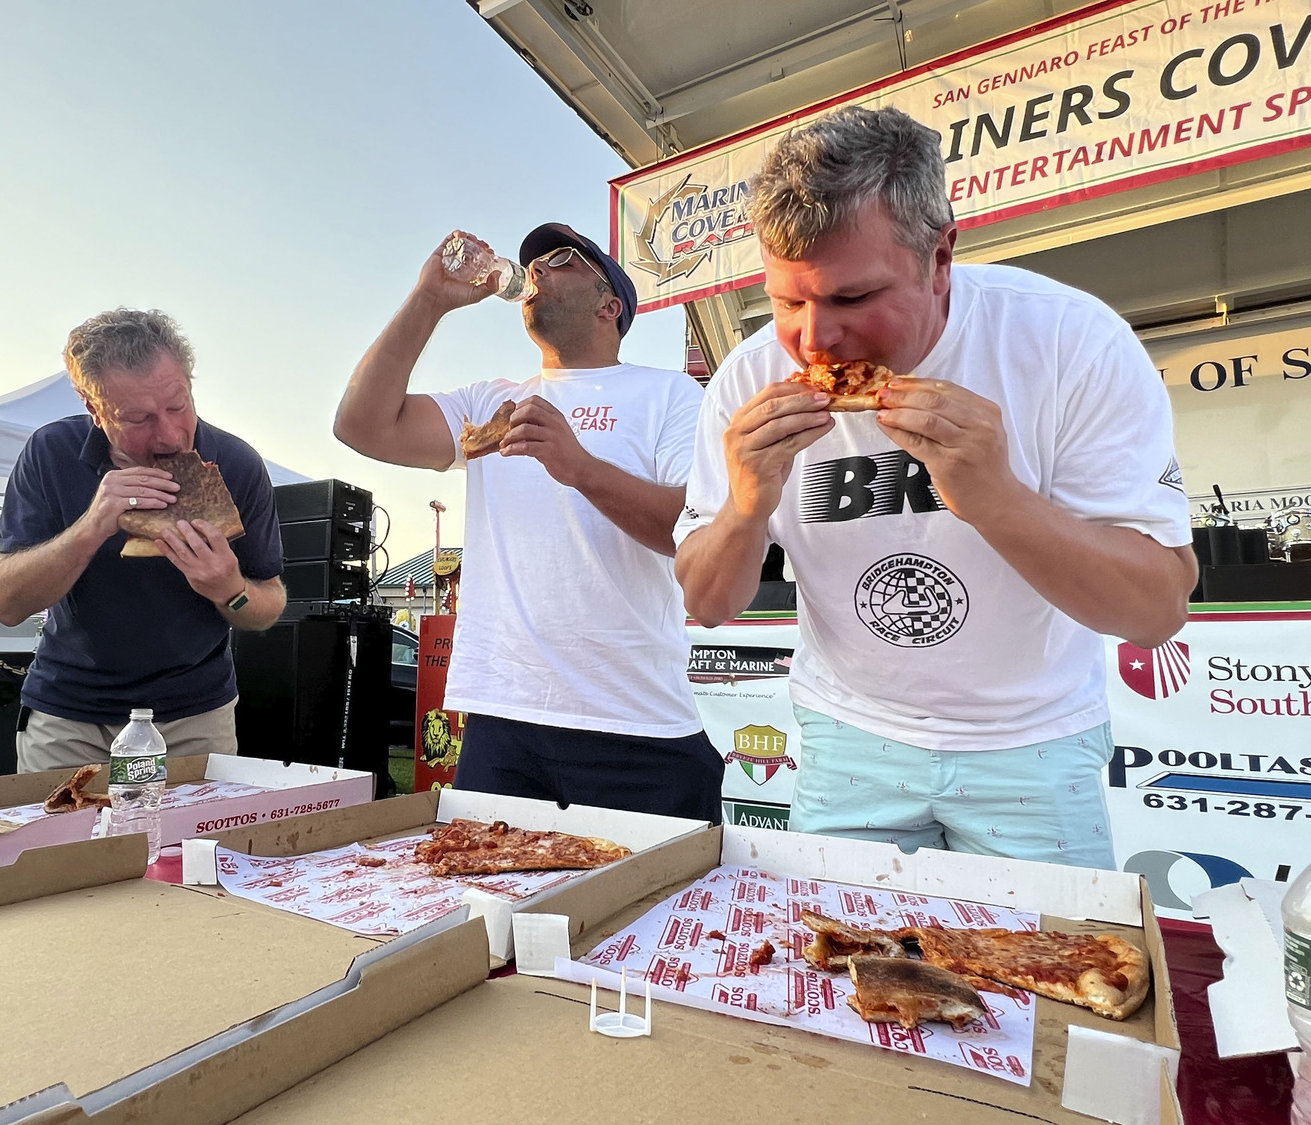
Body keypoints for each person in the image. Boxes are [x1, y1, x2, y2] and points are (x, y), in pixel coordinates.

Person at [674, 106, 1196, 866]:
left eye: (852, 298)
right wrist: (747, 502)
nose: (815, 339)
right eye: (787, 300)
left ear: (941, 257)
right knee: (838, 972)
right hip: (848, 733)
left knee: (1050, 976)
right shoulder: (748, 377)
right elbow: (706, 602)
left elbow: (1156, 610)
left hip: (1034, 740)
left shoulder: (1067, 341)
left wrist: (996, 496)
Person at [336, 224, 723, 822]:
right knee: (495, 910)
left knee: (649, 911)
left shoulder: (669, 394)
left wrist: (580, 468)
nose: (536, 268)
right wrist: (429, 299)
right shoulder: (491, 400)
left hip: (637, 725)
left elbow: (695, 530)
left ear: (609, 303)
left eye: (560, 259)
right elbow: (362, 426)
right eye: (532, 261)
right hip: (503, 719)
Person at [0, 309, 286, 772]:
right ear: (95, 410)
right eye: (139, 418)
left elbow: (268, 606)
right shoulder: (52, 453)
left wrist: (232, 590)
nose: (168, 435)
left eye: (178, 405)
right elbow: (6, 604)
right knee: (66, 845)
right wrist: (91, 527)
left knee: (187, 847)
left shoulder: (236, 464)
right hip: (71, 715)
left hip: (194, 716)